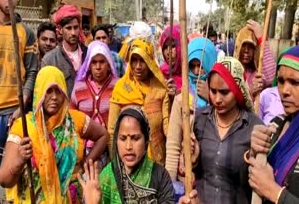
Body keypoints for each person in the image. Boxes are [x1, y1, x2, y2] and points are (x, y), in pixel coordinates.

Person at [0, 66, 109, 203]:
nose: (54, 97)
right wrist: (19, 160)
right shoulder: (24, 128)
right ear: (39, 93)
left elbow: (103, 135)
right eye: (48, 91)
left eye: (58, 91)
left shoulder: (75, 121)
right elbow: (4, 180)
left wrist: (86, 163)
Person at [247, 45, 299, 204]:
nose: (285, 90)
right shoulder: (277, 124)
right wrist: (254, 153)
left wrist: (274, 191)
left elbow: (266, 186)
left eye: (295, 82)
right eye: (280, 81)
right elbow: (252, 182)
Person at [191, 57, 263, 203]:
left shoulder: (254, 127)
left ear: (237, 90)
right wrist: (193, 161)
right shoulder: (200, 119)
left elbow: (258, 182)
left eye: (224, 92)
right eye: (213, 91)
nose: (217, 99)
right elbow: (192, 172)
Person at [79, 106, 175, 203]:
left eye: (135, 138)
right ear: (116, 141)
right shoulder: (107, 176)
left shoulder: (160, 176)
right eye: (123, 138)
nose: (128, 146)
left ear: (146, 141)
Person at [108, 38, 169, 166]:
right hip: (128, 161)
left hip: (156, 162)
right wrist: (116, 163)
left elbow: (166, 126)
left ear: (150, 61)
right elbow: (112, 130)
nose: (138, 66)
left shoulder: (160, 89)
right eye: (134, 60)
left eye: (143, 60)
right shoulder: (121, 88)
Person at [166, 37, 217, 181]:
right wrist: (169, 185)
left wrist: (211, 98)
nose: (196, 72)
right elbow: (173, 146)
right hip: (188, 180)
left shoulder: (222, 98)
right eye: (192, 66)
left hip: (214, 179)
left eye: (200, 66)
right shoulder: (181, 99)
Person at [0, 0, 37, 167]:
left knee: (14, 169)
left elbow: (32, 71)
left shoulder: (26, 32)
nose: (9, 0)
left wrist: (22, 105)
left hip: (14, 112)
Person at [71, 40, 118, 166]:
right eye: (94, 62)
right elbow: (72, 119)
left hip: (112, 150)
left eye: (102, 62)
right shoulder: (78, 88)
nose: (98, 67)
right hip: (83, 150)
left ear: (108, 64)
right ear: (88, 65)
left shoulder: (118, 87)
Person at [42, 5, 88, 97]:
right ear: (60, 29)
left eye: (76, 27)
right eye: (68, 28)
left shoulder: (89, 54)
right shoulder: (50, 60)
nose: (73, 33)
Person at [234, 20, 276, 98]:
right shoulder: (231, 72)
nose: (246, 50)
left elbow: (270, 77)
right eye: (243, 45)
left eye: (251, 46)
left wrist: (262, 39)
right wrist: (250, 93)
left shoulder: (257, 74)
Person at [160, 24, 183, 94]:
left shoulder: (192, 74)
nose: (168, 52)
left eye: (173, 46)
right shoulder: (160, 74)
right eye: (165, 47)